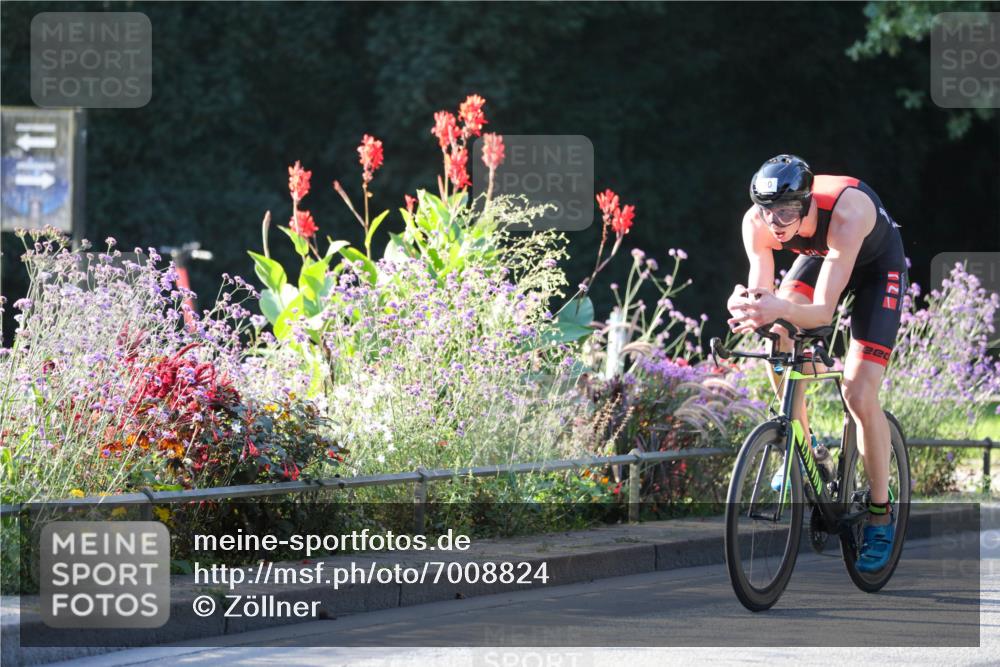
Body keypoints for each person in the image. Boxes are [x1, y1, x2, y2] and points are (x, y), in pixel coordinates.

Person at [726, 154, 907, 572]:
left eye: (787, 211)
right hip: (823, 256)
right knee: (778, 339)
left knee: (859, 392)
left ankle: (880, 514)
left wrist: (774, 307)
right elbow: (762, 300)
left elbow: (824, 311)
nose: (776, 221)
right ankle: (802, 448)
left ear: (807, 203)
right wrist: (746, 306)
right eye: (768, 210)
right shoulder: (755, 223)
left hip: (876, 267)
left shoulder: (847, 209)